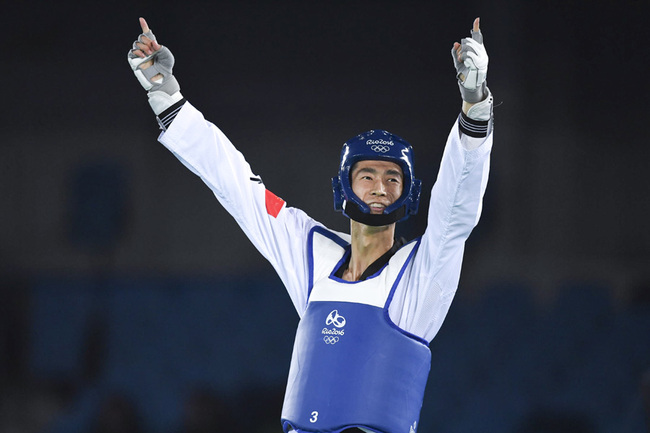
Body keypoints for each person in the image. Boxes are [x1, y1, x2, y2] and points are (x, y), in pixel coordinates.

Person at [128, 16, 493, 433]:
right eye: (367, 176)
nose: (379, 188)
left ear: (408, 193)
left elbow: (457, 207)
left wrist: (475, 104)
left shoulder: (421, 273)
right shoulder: (312, 253)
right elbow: (237, 187)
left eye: (393, 178)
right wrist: (167, 98)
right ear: (344, 187)